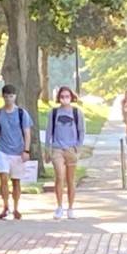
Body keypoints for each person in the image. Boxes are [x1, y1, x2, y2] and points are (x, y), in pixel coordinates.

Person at [0, 83, 33, 220]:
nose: (9, 99)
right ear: (3, 97)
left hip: (18, 151)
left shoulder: (21, 113)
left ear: (15, 97)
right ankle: (5, 206)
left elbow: (27, 133)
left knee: (16, 182)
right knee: (3, 177)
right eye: (6, 96)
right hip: (2, 150)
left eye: (11, 96)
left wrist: (26, 150)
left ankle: (16, 208)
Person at [44, 86, 85, 220]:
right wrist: (47, 148)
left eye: (67, 96)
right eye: (62, 97)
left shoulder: (76, 112)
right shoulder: (54, 112)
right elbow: (49, 131)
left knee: (70, 180)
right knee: (59, 176)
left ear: (71, 97)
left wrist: (78, 147)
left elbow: (81, 130)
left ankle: (71, 208)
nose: (64, 99)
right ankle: (59, 206)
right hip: (57, 148)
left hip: (71, 149)